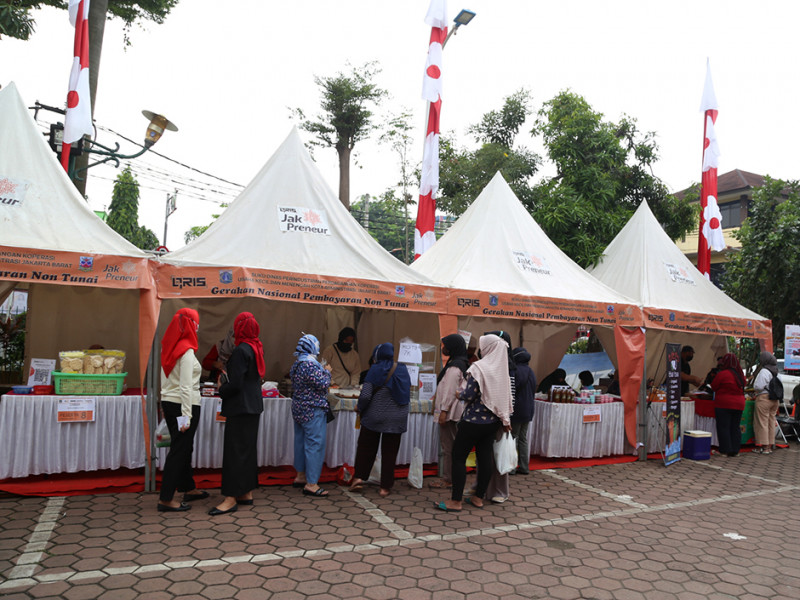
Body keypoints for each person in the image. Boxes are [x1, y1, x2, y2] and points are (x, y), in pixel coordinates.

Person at [435, 334, 513, 512]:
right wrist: (505, 418)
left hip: (472, 422)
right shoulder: (503, 370)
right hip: (492, 422)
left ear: (488, 348)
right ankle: (478, 497)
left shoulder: (479, 367)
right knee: (485, 458)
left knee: (458, 457)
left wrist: (459, 394)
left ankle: (456, 501)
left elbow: (469, 394)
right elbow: (506, 398)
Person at [209, 312, 265, 516]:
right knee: (247, 451)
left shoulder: (241, 350)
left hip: (240, 407)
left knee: (234, 453)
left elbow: (236, 384)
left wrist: (221, 388)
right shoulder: (256, 347)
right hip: (253, 407)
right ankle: (245, 492)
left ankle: (230, 498)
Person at [158, 308, 206, 512]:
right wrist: (186, 416)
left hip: (170, 402)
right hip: (184, 404)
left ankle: (188, 487)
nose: (198, 327)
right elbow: (185, 386)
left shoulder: (169, 346)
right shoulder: (186, 350)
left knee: (184, 447)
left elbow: (165, 377)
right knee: (179, 450)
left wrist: (165, 401)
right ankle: (166, 498)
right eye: (196, 323)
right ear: (190, 325)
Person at [349, 343, 411, 497]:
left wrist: (359, 407)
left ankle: (358, 478)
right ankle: (385, 487)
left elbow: (365, 395)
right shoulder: (402, 369)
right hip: (397, 417)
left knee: (366, 448)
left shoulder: (375, 369)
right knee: (390, 452)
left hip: (375, 416)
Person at [290, 334, 333, 496]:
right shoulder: (310, 364)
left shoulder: (297, 363)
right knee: (315, 444)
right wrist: (327, 372)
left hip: (298, 407)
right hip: (312, 409)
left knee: (300, 442)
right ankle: (312, 483)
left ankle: (300, 475)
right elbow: (323, 384)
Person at [429, 334, 469, 489]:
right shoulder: (460, 363)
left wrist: (443, 411)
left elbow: (450, 390)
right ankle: (452, 478)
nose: (443, 348)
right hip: (454, 412)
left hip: (450, 413)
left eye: (445, 345)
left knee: (448, 447)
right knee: (452, 446)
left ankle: (448, 479)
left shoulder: (454, 367)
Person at [709, 353, 746, 457]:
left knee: (723, 427)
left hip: (724, 403)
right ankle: (735, 450)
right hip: (739, 403)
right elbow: (744, 384)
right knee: (735, 427)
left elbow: (714, 386)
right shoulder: (740, 374)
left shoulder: (723, 374)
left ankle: (725, 450)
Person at [511, 347, 536, 475]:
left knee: (513, 438)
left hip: (516, 409)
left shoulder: (515, 371)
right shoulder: (531, 371)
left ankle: (511, 467)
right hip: (528, 409)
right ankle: (524, 467)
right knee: (522, 438)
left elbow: (512, 390)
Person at [752, 351, 779, 455]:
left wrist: (754, 388)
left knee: (762, 422)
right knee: (771, 422)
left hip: (764, 398)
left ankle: (764, 447)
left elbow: (759, 386)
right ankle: (770, 445)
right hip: (775, 399)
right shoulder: (776, 370)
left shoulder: (764, 371)